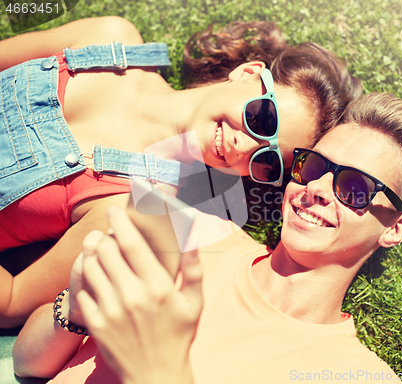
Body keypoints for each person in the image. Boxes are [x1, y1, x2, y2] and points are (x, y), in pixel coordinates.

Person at [12, 92, 402, 383]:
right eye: (312, 167)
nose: (318, 190)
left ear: (394, 229)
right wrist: (76, 305)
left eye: (355, 189)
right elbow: (27, 361)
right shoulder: (192, 231)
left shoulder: (357, 375)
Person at [0, 16, 362, 327]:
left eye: (267, 161)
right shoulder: (110, 39)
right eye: (261, 119)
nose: (245, 147)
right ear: (248, 74)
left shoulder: (132, 207)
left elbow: (12, 302)